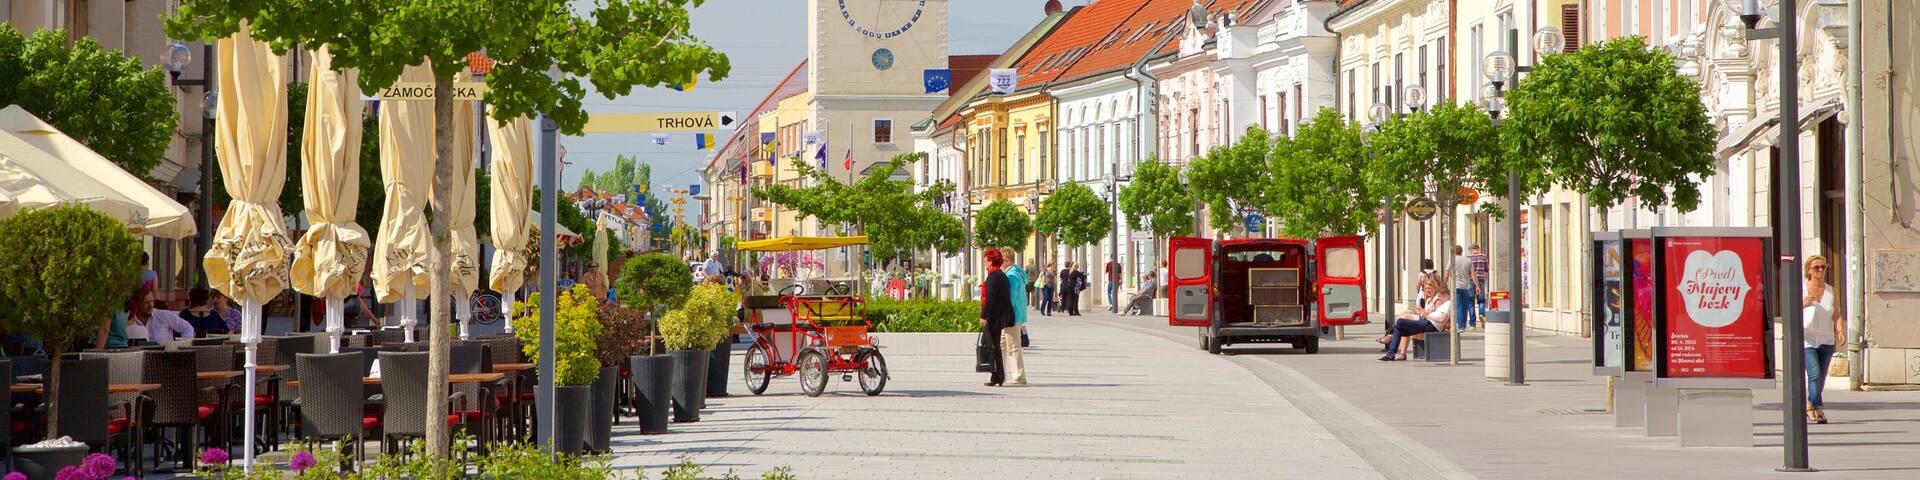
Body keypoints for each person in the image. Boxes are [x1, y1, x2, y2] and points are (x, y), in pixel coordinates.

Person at [1802, 255, 1844, 424]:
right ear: (1809, 270)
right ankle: (1818, 408)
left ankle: (1810, 404)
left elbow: (1837, 313)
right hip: (1807, 338)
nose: (1820, 270)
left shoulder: (1831, 290)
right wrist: (1802, 304)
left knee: (1821, 377)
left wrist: (1840, 329)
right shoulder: (1802, 289)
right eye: (1816, 267)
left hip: (1826, 338)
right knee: (1814, 375)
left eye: (1823, 267)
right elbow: (1789, 312)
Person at [1378, 278, 1452, 362]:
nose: (1438, 298)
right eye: (1438, 295)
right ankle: (1390, 354)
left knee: (1400, 321)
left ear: (1446, 295)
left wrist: (1427, 316)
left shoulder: (1448, 304)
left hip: (1430, 325)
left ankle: (1389, 336)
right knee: (1399, 330)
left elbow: (1442, 319)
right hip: (1426, 322)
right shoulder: (1444, 303)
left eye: (1440, 296)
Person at [978, 248, 1014, 387]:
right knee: (996, 346)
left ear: (991, 260)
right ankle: (998, 376)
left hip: (995, 316)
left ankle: (997, 376)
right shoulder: (1000, 275)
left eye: (986, 258)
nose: (984, 261)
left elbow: (990, 299)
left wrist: (983, 315)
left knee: (994, 346)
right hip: (1000, 314)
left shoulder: (993, 276)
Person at [124, 288, 195, 344]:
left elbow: (188, 328)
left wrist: (180, 346)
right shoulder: (131, 319)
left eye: (152, 301)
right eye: (147, 303)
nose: (151, 305)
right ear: (138, 304)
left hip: (165, 356)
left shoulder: (163, 315)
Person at [1000, 248, 1029, 386]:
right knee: (1004, 344)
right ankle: (1000, 373)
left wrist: (1002, 313)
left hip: (1012, 315)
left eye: (1001, 260)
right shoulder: (1016, 273)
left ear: (1006, 260)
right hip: (1015, 314)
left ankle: (1018, 376)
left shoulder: (1012, 276)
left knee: (1013, 346)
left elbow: (1009, 298)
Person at [1449, 245, 1475, 331]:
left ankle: (1461, 326)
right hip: (1466, 286)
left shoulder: (1452, 260)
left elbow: (1447, 272)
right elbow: (1473, 274)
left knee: (1458, 306)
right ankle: (1463, 324)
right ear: (1462, 251)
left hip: (1456, 286)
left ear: (1454, 252)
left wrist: (1444, 283)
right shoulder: (1468, 260)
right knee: (1465, 307)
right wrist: (1477, 285)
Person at [1468, 244, 1490, 330]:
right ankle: (1481, 313)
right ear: (1479, 249)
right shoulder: (1483, 256)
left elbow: (1467, 269)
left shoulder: (1468, 257)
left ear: (1471, 249)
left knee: (1470, 302)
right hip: (1481, 280)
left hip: (1470, 280)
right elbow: (1487, 269)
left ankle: (1472, 324)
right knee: (1481, 300)